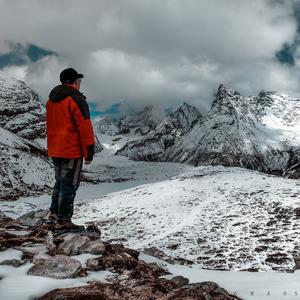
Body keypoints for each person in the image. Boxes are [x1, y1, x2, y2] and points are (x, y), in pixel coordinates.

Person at [46, 68, 95, 229]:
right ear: (74, 81)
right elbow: (85, 127)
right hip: (71, 150)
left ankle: (54, 214)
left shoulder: (51, 100)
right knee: (70, 185)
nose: (80, 83)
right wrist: (88, 152)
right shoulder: (76, 99)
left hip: (55, 148)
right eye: (79, 80)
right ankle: (64, 220)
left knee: (60, 182)